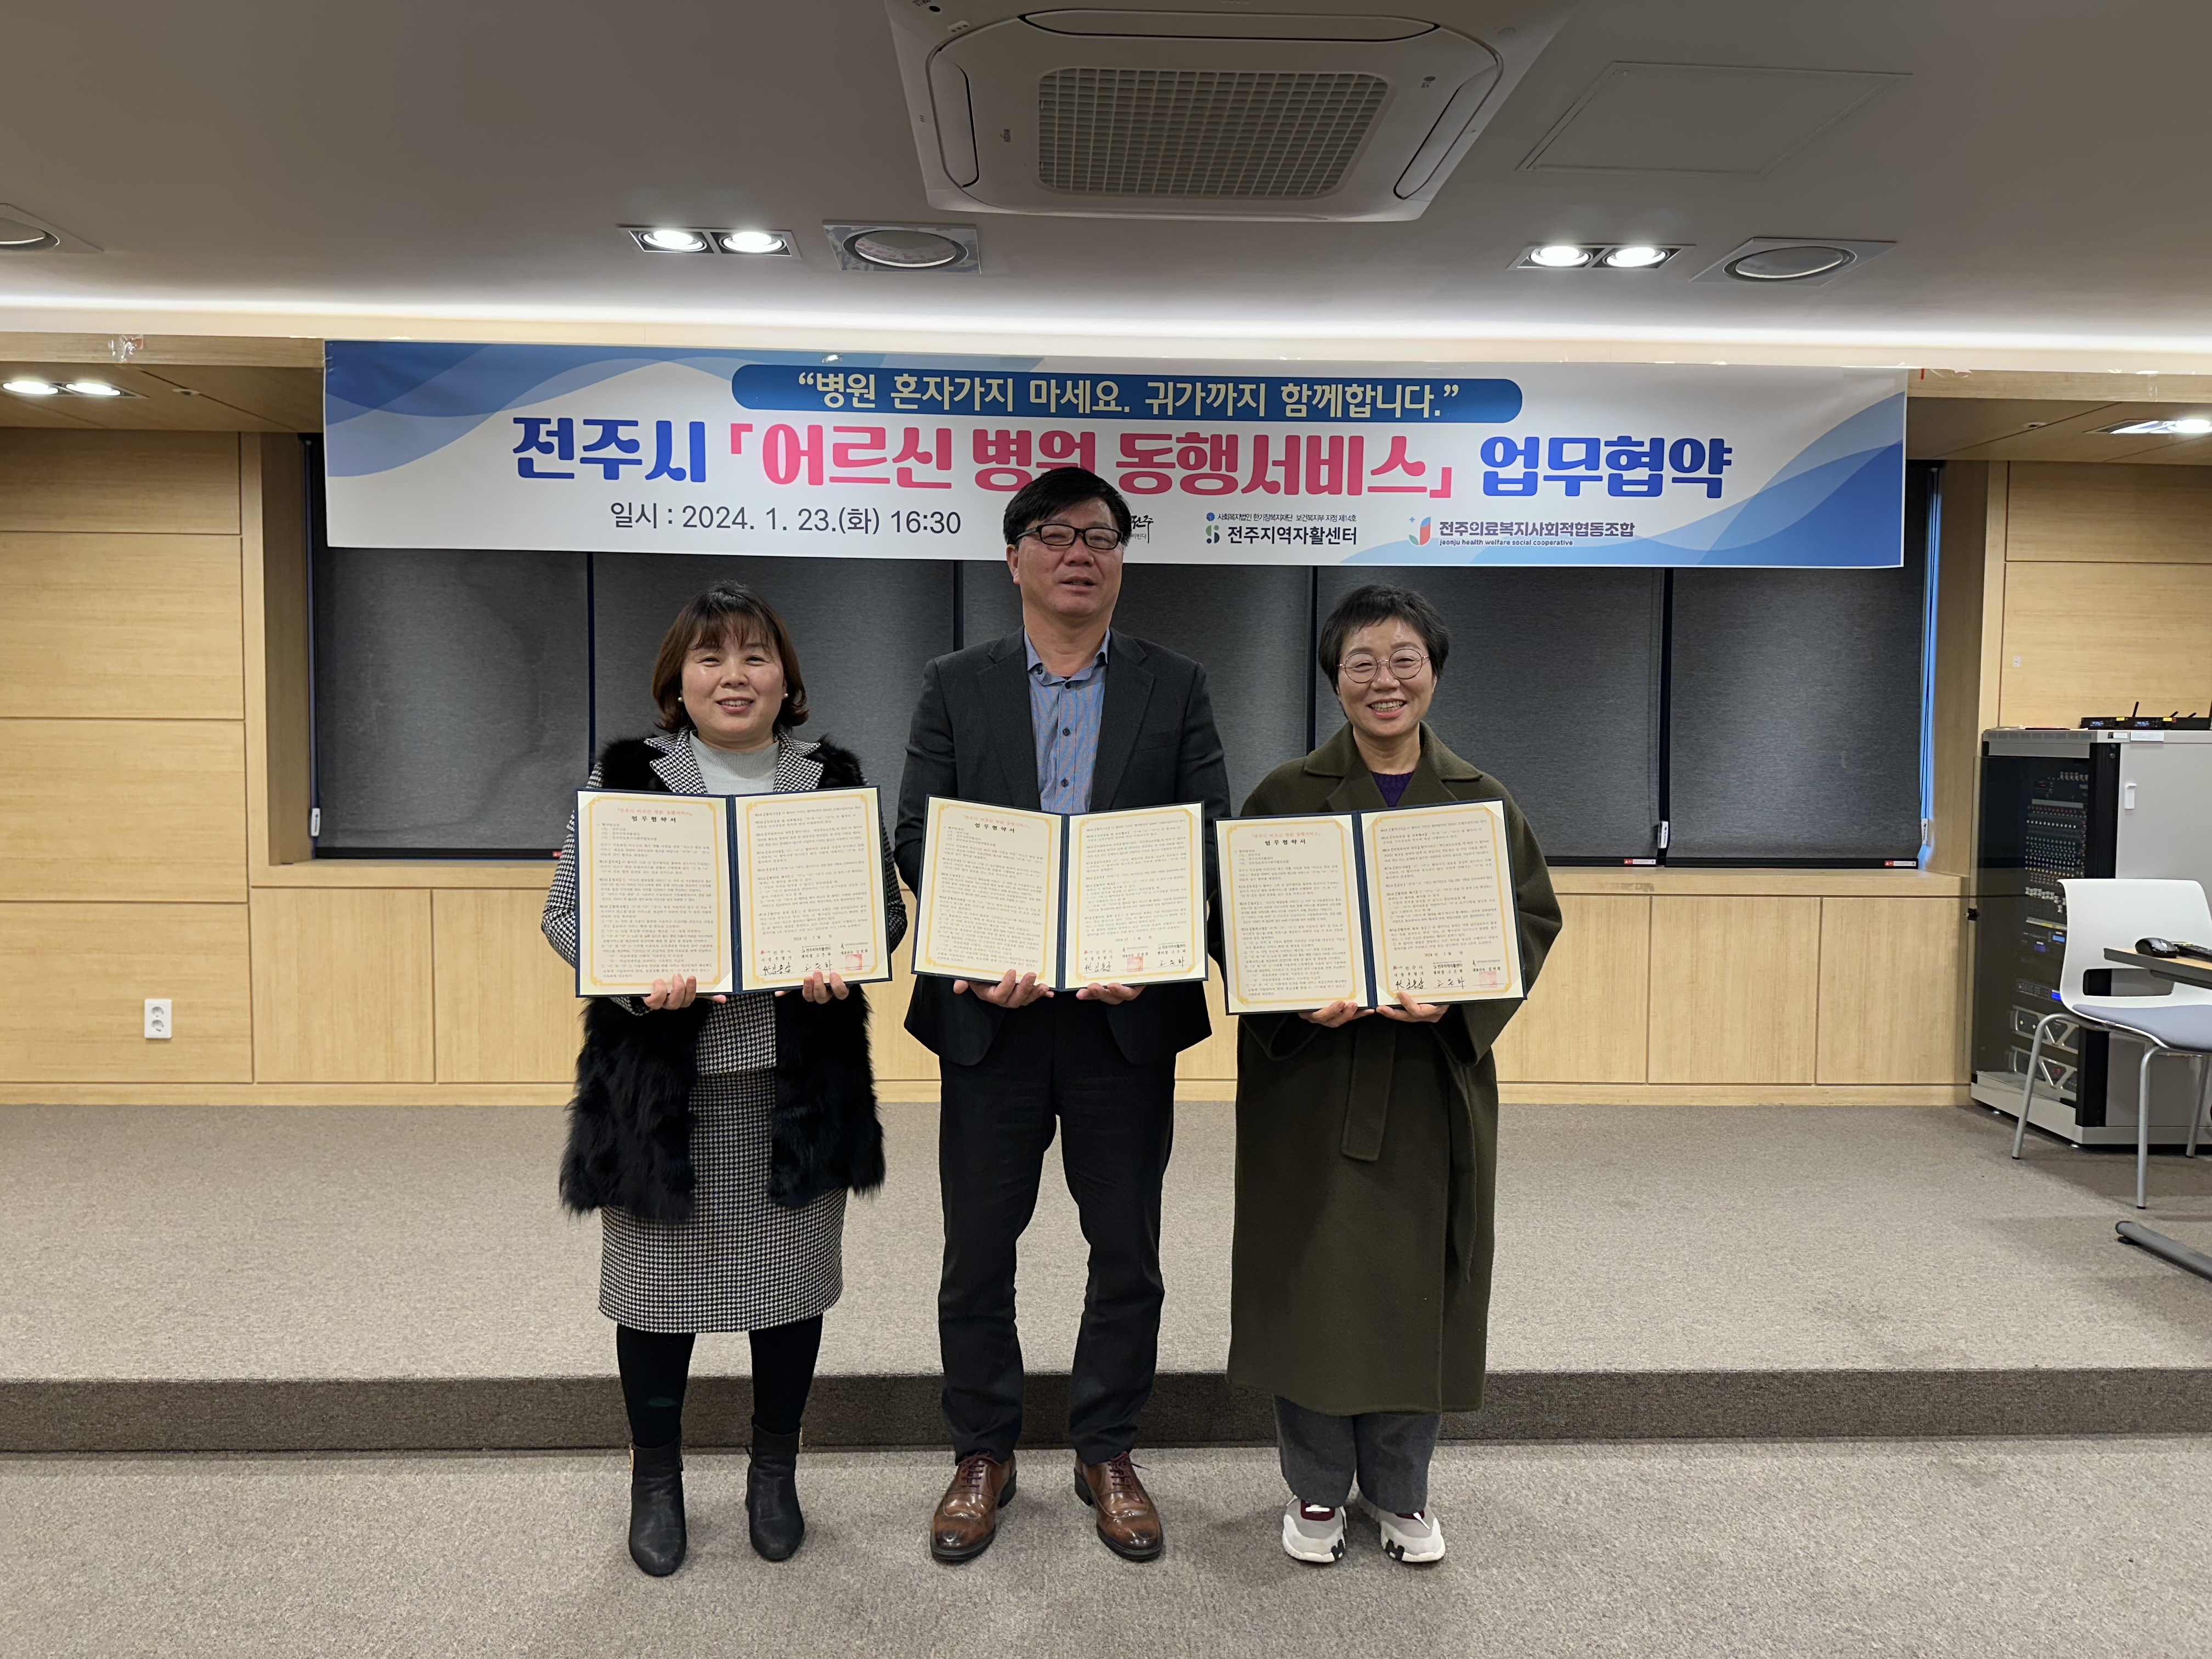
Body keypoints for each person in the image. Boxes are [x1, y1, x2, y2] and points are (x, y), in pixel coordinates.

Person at [895, 466, 1231, 1564]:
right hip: (988, 1014)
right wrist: (976, 948)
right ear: (1014, 559)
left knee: (1126, 1248)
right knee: (977, 1249)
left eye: (1099, 536)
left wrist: (1154, 950)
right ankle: (981, 1451)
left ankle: (1107, 1449)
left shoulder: (1176, 685)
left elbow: (1205, 834)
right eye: (1053, 534)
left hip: (1121, 1020)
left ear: (1123, 559)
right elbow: (920, 836)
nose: (1077, 553)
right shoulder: (957, 682)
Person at [541, 581, 906, 1577]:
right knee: (654, 1297)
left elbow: (882, 911)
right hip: (661, 1090)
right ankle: (655, 1477)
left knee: (789, 1291)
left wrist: (849, 958)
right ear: (679, 679)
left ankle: (773, 1472)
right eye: (711, 657)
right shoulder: (627, 776)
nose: (733, 675)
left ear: (786, 679)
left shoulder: (829, 779)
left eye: (754, 655)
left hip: (798, 1086)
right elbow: (565, 914)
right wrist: (628, 984)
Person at [1228, 582, 1562, 1568]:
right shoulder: (1285, 796)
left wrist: (1457, 1004)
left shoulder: (1482, 801)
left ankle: (1403, 1489)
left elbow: (1531, 919)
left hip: (1428, 1083)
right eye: (1362, 662)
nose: (1386, 680)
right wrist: (1296, 1001)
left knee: (1422, 1282)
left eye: (1404, 659)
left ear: (1434, 672)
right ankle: (1316, 1489)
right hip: (1313, 1082)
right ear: (1334, 680)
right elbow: (1239, 924)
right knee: (1312, 1279)